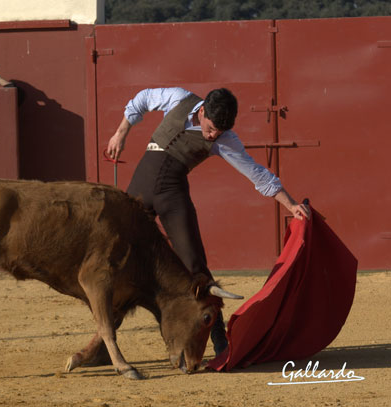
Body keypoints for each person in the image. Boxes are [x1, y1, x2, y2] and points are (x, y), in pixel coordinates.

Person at [106, 87, 311, 355]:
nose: (213, 135)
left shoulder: (226, 140)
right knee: (120, 259)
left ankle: (218, 334)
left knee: (194, 265)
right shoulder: (179, 98)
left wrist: (291, 204)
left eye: (219, 132)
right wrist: (121, 132)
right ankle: (104, 341)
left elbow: (257, 174)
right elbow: (143, 98)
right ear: (201, 111)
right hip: (139, 193)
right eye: (211, 127)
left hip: (172, 195)